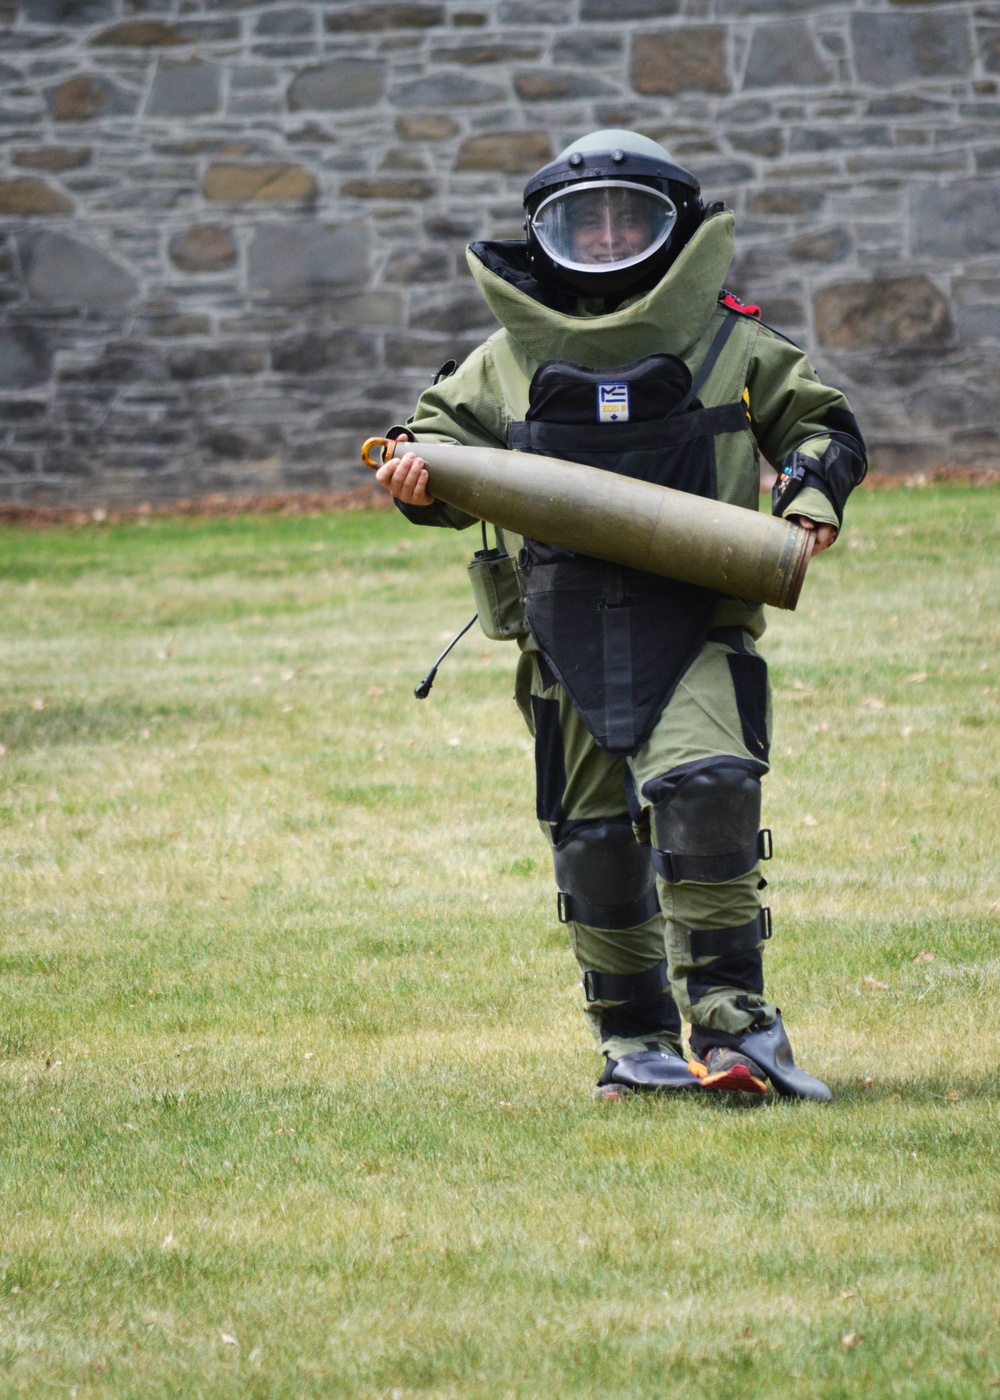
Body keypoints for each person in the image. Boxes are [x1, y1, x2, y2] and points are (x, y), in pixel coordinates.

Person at [374, 130, 866, 1101]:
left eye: (625, 215)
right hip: (559, 633)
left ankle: (737, 1034)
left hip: (699, 620)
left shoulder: (729, 341)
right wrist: (413, 479)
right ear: (544, 234)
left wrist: (807, 502)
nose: (604, 234)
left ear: (670, 225)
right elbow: (431, 453)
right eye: (581, 218)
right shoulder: (503, 359)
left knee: (710, 787)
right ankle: (634, 1045)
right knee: (592, 835)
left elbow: (821, 425)